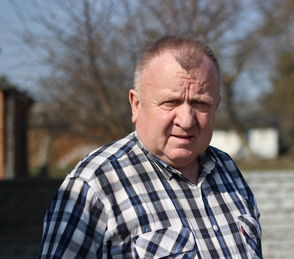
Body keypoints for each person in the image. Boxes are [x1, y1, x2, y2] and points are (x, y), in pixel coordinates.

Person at [40, 35, 262, 258]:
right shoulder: (95, 184)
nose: (186, 120)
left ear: (216, 107)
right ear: (136, 105)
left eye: (200, 103)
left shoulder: (227, 169)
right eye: (171, 102)